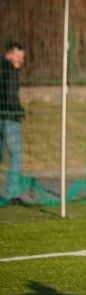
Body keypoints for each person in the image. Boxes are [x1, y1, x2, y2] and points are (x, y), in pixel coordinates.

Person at [0, 42, 26, 204]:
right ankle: (13, 192)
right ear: (9, 54)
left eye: (22, 58)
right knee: (16, 154)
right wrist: (18, 110)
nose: (20, 60)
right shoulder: (10, 70)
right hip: (9, 117)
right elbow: (10, 96)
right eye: (18, 56)